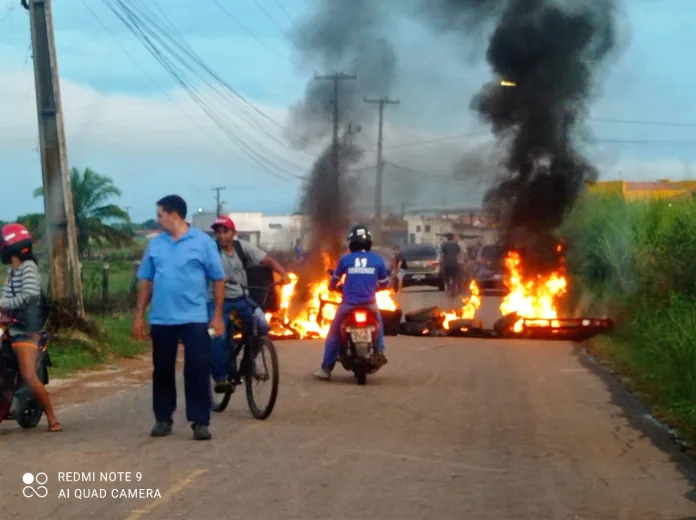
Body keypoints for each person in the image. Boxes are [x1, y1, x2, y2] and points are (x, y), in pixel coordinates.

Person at [133, 195, 226, 441]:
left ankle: (200, 421)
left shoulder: (202, 242)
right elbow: (146, 281)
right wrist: (139, 316)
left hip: (195, 317)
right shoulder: (156, 245)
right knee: (162, 369)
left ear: (174, 214)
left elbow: (218, 278)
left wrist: (217, 316)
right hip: (162, 319)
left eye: (160, 214)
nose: (157, 219)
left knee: (196, 368)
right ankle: (163, 418)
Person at [208, 215, 290, 393]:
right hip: (215, 302)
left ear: (233, 233)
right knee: (216, 335)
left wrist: (283, 274)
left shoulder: (241, 247)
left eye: (225, 231)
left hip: (241, 298)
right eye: (218, 232)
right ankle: (220, 378)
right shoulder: (210, 250)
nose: (221, 236)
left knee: (261, 326)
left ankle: (248, 363)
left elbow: (267, 260)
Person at [0, 223, 61, 432]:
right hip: (9, 326)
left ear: (10, 247)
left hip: (26, 329)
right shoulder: (12, 272)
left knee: (27, 373)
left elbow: (30, 296)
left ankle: (52, 418)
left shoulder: (28, 268)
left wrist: (3, 305)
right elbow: (6, 298)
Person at [313, 225, 389, 381]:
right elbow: (384, 283)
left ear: (351, 242)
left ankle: (326, 368)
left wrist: (336, 287)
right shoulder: (377, 259)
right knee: (379, 324)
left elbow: (333, 284)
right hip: (369, 304)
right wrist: (374, 287)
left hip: (348, 305)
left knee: (334, 332)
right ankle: (380, 351)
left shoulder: (345, 259)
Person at [440, 233, 461, 297]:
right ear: (453, 238)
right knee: (454, 277)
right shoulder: (456, 245)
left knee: (447, 277)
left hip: (447, 264)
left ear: (447, 238)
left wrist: (441, 263)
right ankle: (453, 288)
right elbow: (459, 255)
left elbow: (442, 255)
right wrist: (460, 263)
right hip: (455, 264)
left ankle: (449, 288)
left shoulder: (444, 245)